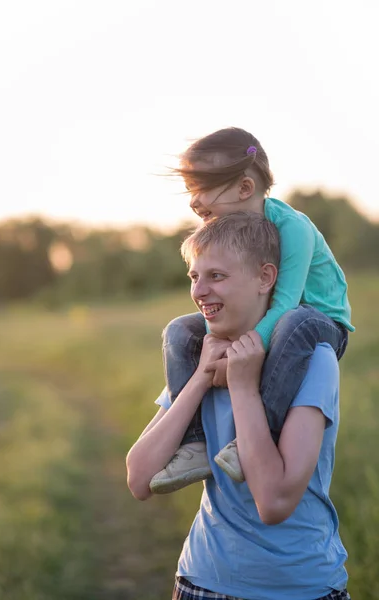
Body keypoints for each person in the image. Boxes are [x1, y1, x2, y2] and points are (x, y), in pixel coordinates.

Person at [126, 212, 350, 600]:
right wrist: (199, 379)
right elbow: (140, 479)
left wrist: (244, 388)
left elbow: (273, 503)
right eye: (195, 277)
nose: (200, 291)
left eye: (217, 276)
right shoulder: (198, 356)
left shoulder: (314, 360)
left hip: (299, 587)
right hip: (200, 581)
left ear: (265, 278)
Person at [150, 127, 353, 494]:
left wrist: (239, 353)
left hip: (318, 323)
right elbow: (218, 295)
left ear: (244, 189)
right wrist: (213, 345)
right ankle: (194, 443)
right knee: (181, 330)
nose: (193, 203)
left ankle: (261, 437)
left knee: (294, 321)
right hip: (269, 321)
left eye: (201, 189)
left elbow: (286, 303)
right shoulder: (228, 233)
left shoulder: (292, 228)